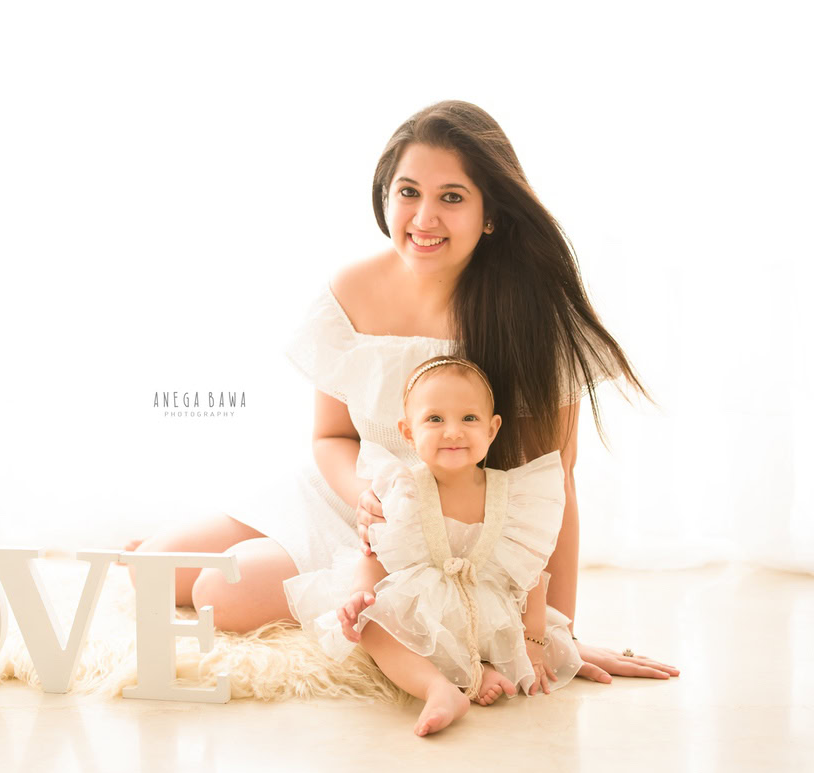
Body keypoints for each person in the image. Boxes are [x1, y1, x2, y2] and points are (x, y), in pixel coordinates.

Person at [126, 99, 679, 683]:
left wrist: (558, 629)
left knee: (219, 592)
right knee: (150, 569)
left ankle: (314, 585)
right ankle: (249, 544)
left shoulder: (531, 314)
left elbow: (553, 482)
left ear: (491, 213)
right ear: (384, 196)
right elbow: (332, 435)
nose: (424, 217)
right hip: (355, 493)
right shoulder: (353, 287)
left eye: (452, 197)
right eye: (408, 192)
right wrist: (363, 493)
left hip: (437, 535)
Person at [286, 356, 582, 736]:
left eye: (469, 419)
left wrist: (534, 642)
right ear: (408, 433)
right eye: (435, 420)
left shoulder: (514, 496)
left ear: (493, 430)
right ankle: (439, 688)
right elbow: (376, 552)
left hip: (487, 611)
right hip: (430, 611)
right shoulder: (404, 490)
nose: (453, 432)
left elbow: (531, 575)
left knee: (505, 637)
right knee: (371, 626)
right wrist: (360, 595)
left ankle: (481, 669)